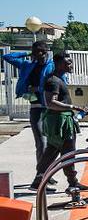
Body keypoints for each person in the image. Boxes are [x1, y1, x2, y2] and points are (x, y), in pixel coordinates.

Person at [32, 54, 88, 192]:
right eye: (67, 63)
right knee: (67, 153)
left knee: (54, 151)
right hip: (60, 123)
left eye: (70, 63)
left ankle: (39, 179)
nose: (70, 65)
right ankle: (72, 182)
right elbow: (50, 103)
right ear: (58, 64)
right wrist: (73, 107)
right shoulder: (53, 81)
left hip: (62, 120)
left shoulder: (58, 79)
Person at [2, 40, 54, 173]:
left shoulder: (52, 66)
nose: (37, 55)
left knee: (51, 144)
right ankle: (41, 173)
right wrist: (27, 52)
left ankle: (48, 172)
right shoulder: (27, 65)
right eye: (35, 53)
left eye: (39, 52)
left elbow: (59, 84)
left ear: (45, 52)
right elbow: (7, 57)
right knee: (41, 142)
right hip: (35, 108)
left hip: (50, 108)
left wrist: (38, 88)